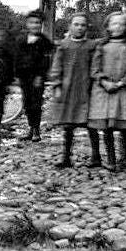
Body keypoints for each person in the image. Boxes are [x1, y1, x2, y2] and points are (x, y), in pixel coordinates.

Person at [87, 11, 126, 171]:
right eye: (114, 23)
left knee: (125, 126)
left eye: (121, 24)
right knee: (107, 126)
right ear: (108, 27)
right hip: (103, 91)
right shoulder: (101, 47)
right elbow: (94, 69)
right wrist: (104, 81)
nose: (118, 27)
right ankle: (110, 159)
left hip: (124, 91)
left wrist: (120, 83)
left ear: (125, 27)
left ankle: (124, 157)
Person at [47, 13, 98, 168]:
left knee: (91, 124)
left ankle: (96, 156)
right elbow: (57, 66)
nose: (79, 28)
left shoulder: (91, 46)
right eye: (76, 24)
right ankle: (66, 157)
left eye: (83, 25)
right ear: (70, 26)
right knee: (68, 126)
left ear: (86, 27)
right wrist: (56, 85)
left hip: (86, 89)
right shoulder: (63, 45)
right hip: (68, 89)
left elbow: (96, 65)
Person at [15, 10, 54, 142]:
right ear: (27, 24)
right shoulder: (21, 40)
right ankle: (31, 128)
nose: (35, 25)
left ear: (41, 25)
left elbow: (45, 62)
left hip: (37, 77)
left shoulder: (44, 41)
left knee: (36, 103)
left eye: (38, 23)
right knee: (26, 102)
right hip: (24, 77)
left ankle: (37, 129)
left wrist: (40, 76)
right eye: (32, 22)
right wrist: (17, 74)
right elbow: (17, 58)